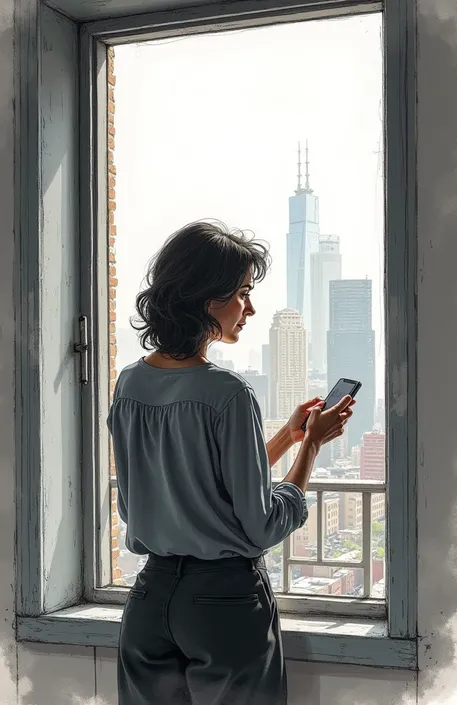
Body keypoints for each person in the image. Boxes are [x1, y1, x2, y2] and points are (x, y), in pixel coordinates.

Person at [107, 220, 354, 705]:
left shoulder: (129, 385)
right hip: (224, 603)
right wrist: (311, 448)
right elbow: (259, 524)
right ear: (207, 299)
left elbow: (189, 490)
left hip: (149, 599)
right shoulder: (227, 393)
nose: (250, 308)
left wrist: (287, 435)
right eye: (242, 293)